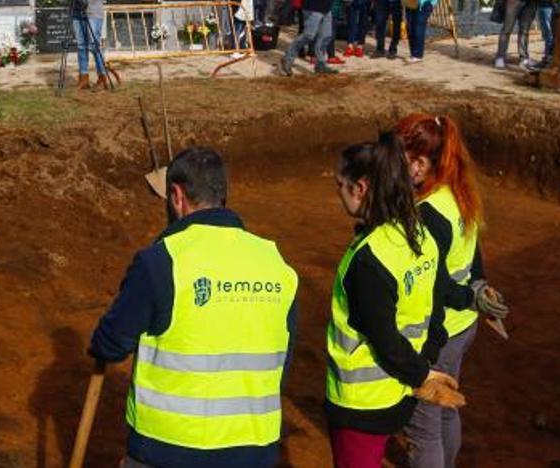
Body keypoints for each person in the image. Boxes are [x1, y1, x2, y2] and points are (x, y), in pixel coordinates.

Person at [88, 147, 299, 468]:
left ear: (176, 195)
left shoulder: (161, 261)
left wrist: (100, 341)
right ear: (222, 194)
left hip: (167, 451)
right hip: (253, 451)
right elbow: (282, 360)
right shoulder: (275, 263)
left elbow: (112, 344)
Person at [325, 132, 463, 468]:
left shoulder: (369, 259)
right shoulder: (420, 235)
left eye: (340, 185)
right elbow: (436, 306)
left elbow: (383, 338)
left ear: (360, 189)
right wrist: (425, 366)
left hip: (362, 404)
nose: (338, 193)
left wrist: (421, 376)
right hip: (399, 394)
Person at [394, 113, 510, 468]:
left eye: (401, 157)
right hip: (463, 326)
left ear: (420, 163)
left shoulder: (428, 213)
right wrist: (478, 292)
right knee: (446, 410)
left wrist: (469, 295)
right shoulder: (457, 193)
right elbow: (474, 253)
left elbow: (436, 283)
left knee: (422, 428)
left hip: (440, 330)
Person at [61, 0, 108, 91]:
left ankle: (102, 78)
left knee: (93, 45)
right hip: (77, 9)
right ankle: (83, 78)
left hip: (93, 11)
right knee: (81, 45)